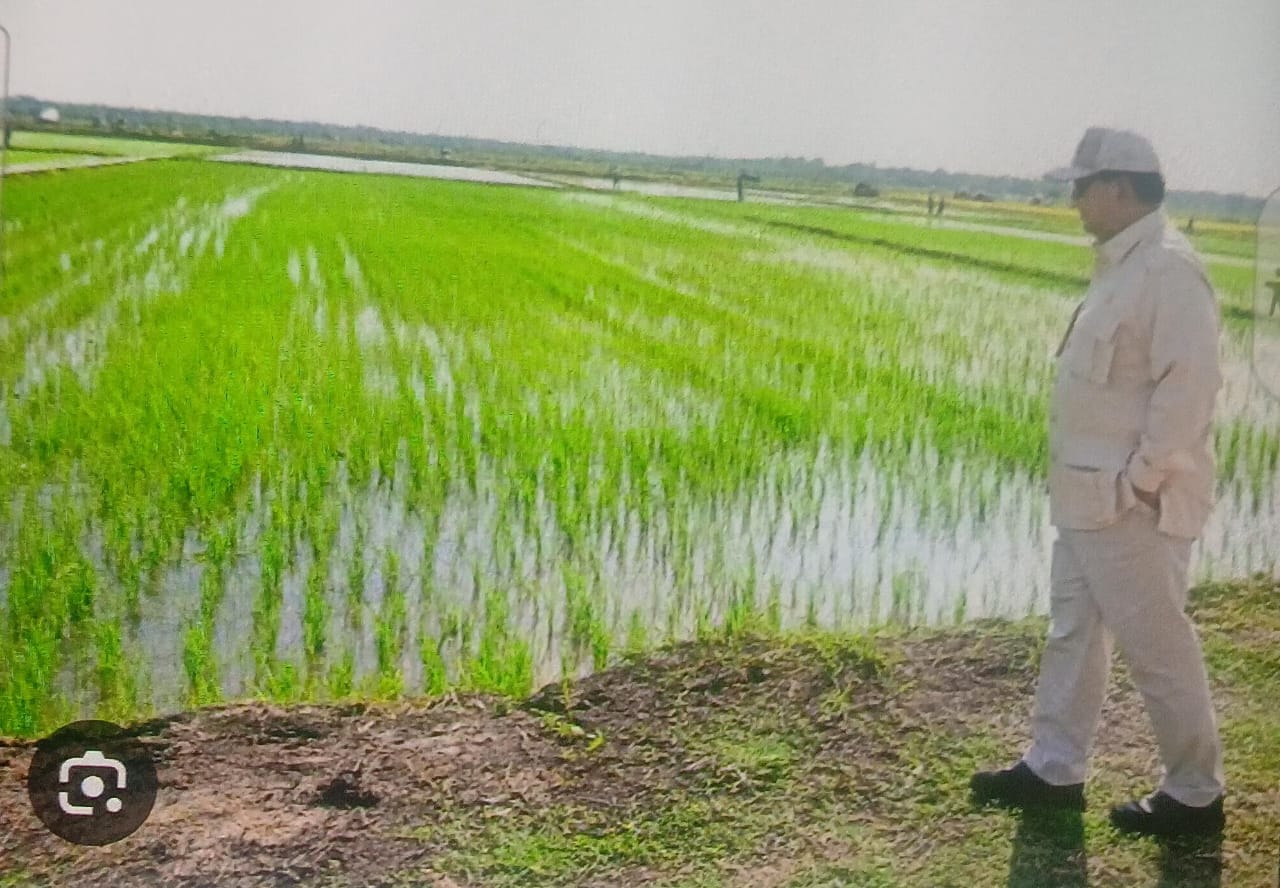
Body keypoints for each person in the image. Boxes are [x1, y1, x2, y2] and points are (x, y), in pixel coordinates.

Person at [970, 127, 1227, 837]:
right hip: (1085, 496)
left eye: (1082, 187)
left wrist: (1140, 484)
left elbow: (1190, 392)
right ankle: (1054, 768)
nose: (1075, 200)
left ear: (1118, 187)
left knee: (1157, 648)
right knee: (1072, 633)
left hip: (1129, 504)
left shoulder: (1170, 271)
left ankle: (1196, 792)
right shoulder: (1120, 266)